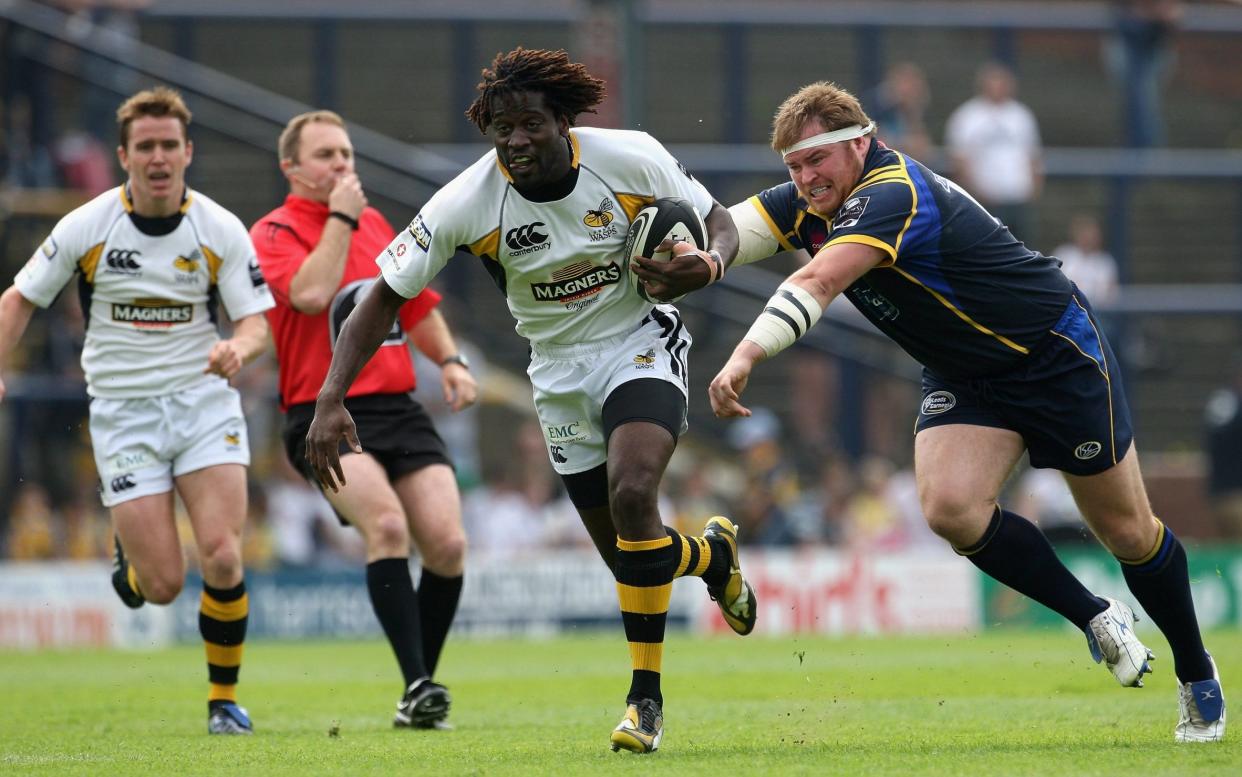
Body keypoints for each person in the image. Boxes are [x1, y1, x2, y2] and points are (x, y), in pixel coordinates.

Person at [653, 80, 1223, 743]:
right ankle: (1095, 616)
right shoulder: (810, 201)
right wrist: (702, 258)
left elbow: (817, 281)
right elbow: (730, 227)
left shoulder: (891, 192)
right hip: (967, 372)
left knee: (1128, 532)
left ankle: (1195, 668)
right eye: (794, 166)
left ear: (861, 142)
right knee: (950, 506)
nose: (805, 178)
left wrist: (746, 354)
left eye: (817, 160)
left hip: (1053, 355)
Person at [305, 47, 752, 754]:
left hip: (638, 338)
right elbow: (382, 295)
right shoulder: (467, 201)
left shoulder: (631, 158)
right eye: (501, 128)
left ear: (564, 120)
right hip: (558, 375)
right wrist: (331, 396)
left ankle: (645, 702)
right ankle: (712, 558)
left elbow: (720, 221)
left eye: (531, 124)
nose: (515, 141)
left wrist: (710, 262)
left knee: (634, 493)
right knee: (631, 559)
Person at [0, 86, 273, 735]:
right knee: (162, 585)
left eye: (169, 145)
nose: (158, 157)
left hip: (203, 405)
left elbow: (257, 323)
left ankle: (223, 700)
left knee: (224, 557)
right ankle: (133, 555)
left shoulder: (218, 228)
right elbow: (17, 299)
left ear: (188, 152)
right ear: (124, 154)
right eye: (145, 146)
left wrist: (238, 347)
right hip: (124, 416)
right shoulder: (87, 225)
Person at [250, 109, 475, 730]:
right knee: (386, 527)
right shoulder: (272, 231)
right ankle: (418, 683)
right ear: (290, 167)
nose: (342, 165)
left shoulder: (378, 223)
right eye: (325, 155)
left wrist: (451, 362)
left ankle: (417, 692)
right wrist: (342, 220)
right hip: (320, 413)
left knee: (450, 545)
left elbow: (418, 305)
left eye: (346, 154)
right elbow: (311, 294)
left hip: (398, 407)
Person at [944, 62, 1043, 244]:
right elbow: (958, 160)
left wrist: (1033, 190)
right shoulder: (968, 116)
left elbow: (1033, 156)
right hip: (984, 201)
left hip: (1018, 198)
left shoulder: (1021, 115)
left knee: (1023, 251)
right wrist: (975, 192)